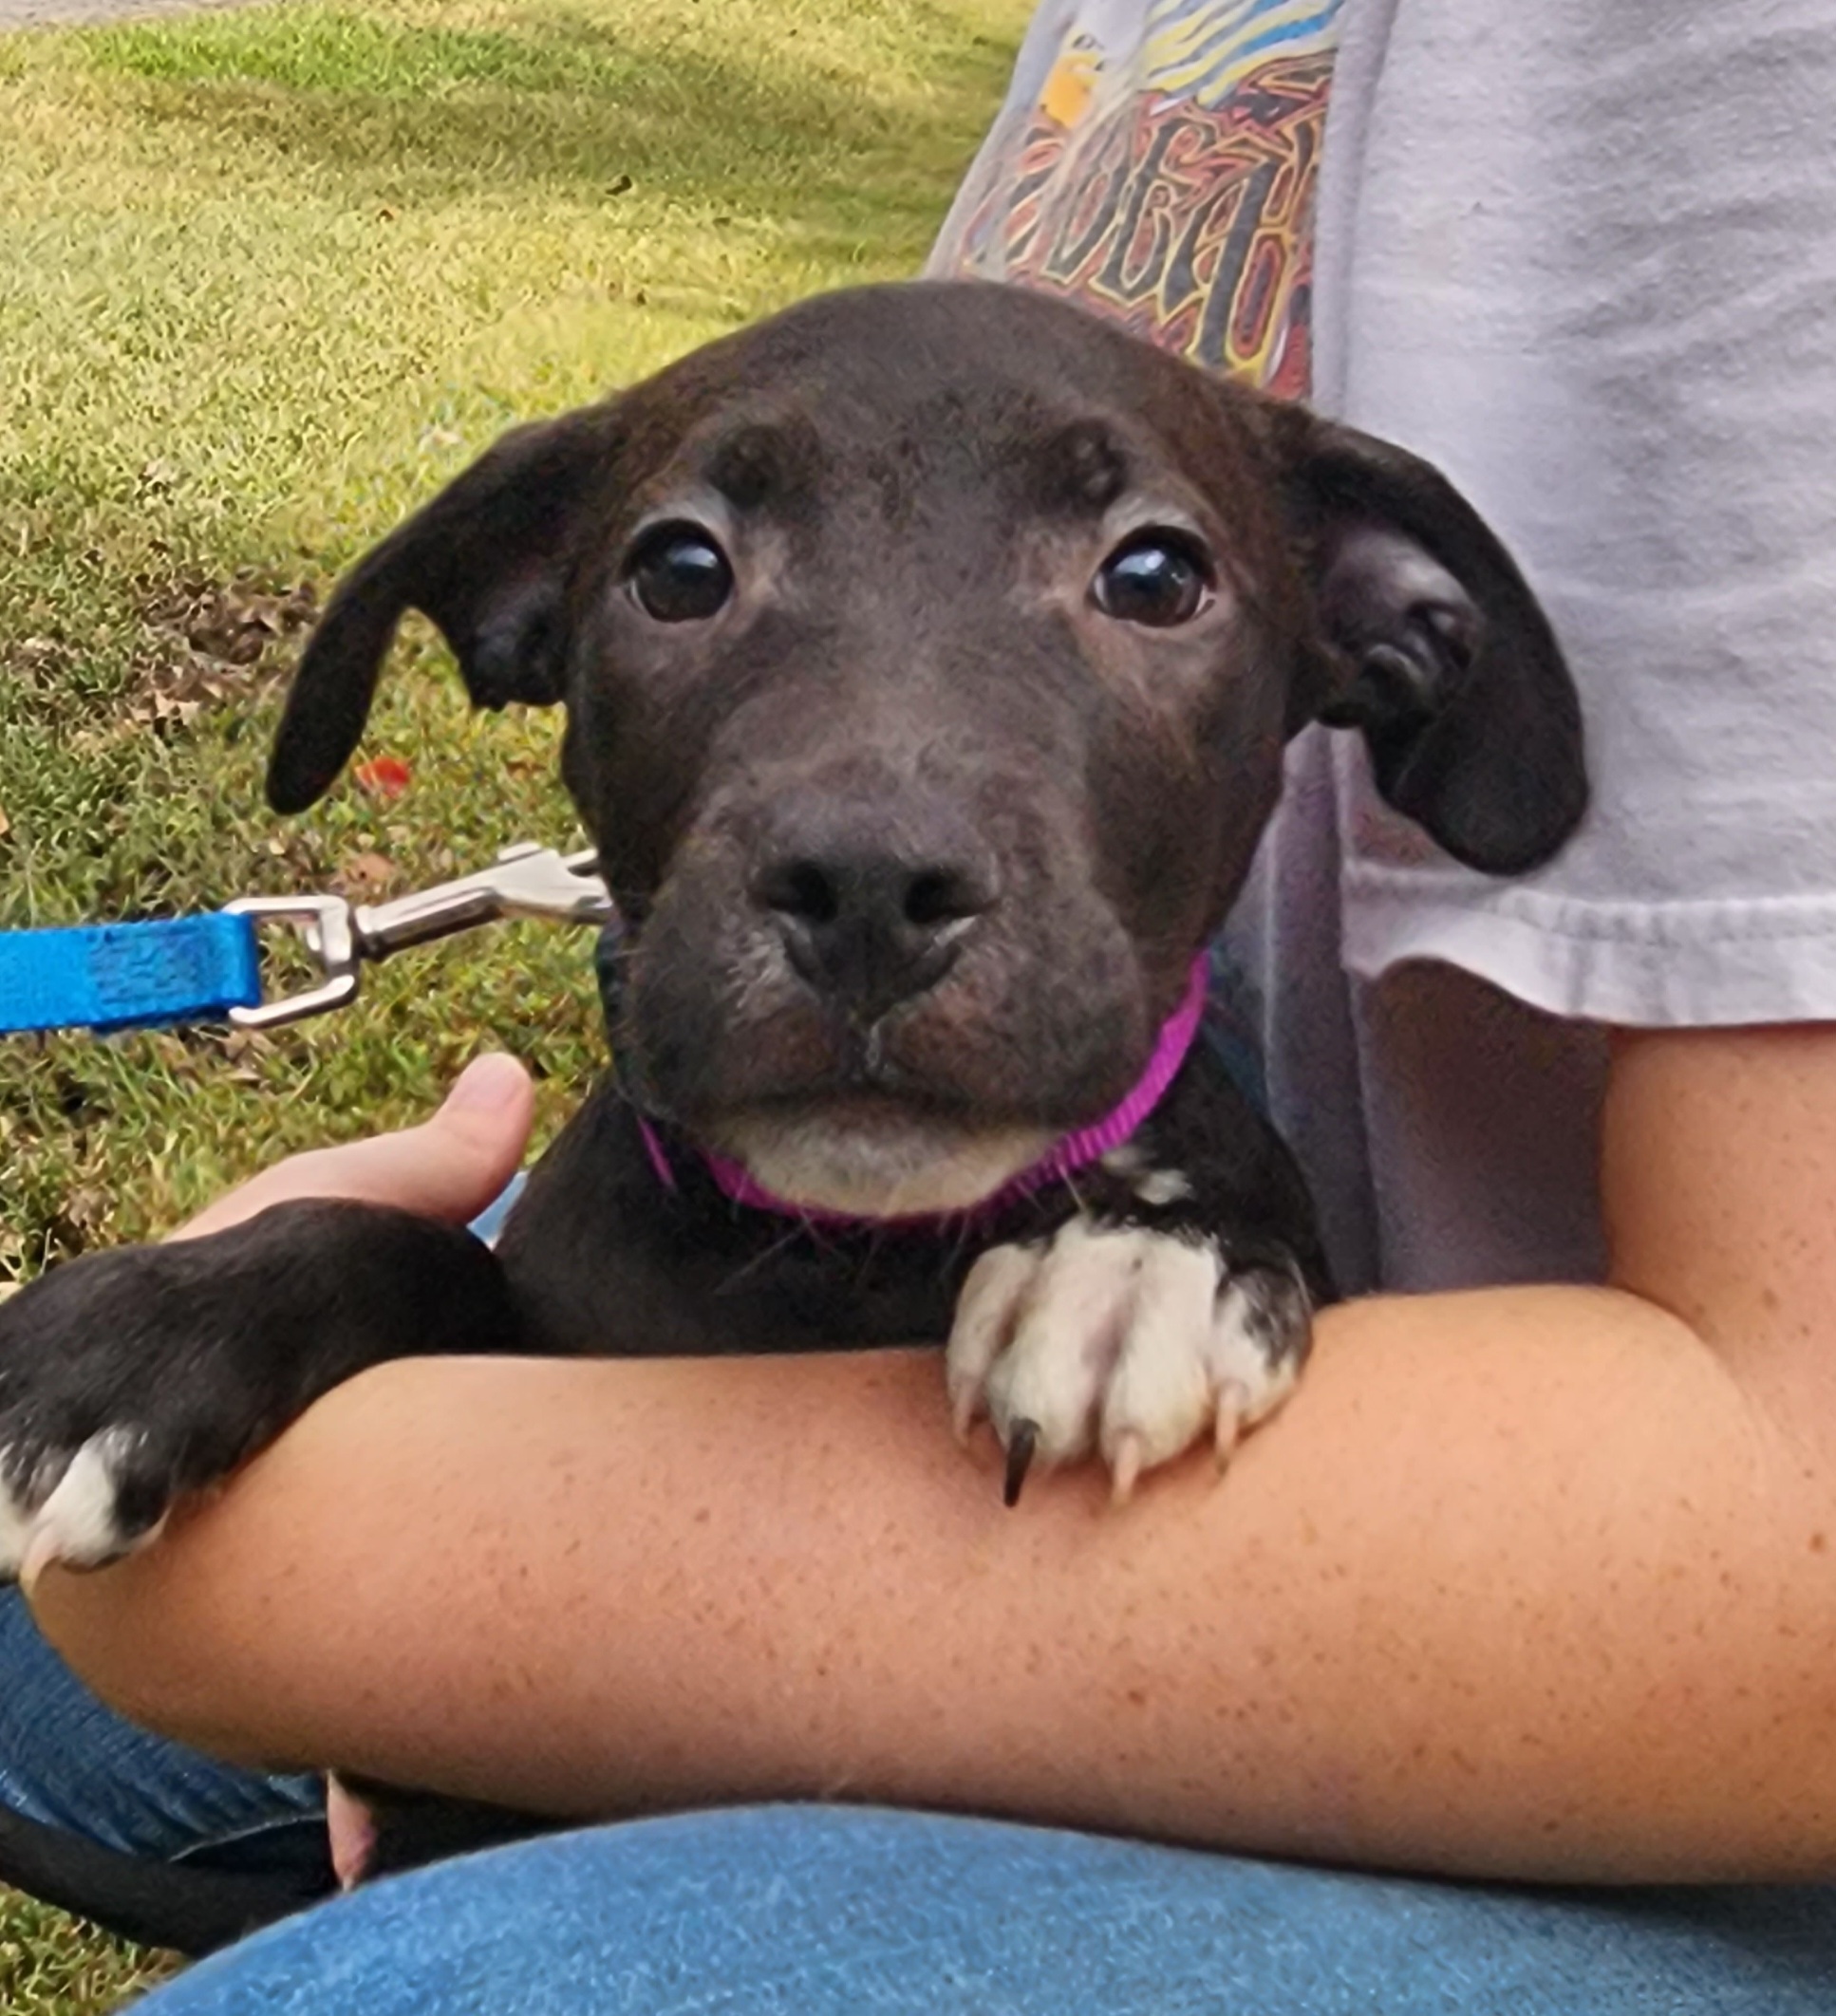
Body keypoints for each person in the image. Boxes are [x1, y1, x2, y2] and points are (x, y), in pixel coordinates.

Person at [9, 0, 1836, 2004]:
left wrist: (372, 1623)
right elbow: (546, 1332)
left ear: (1392, 649)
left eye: (1147, 583)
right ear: (523, 623)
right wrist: (336, 1274)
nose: (876, 839)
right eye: (687, 575)